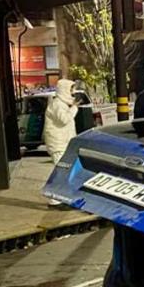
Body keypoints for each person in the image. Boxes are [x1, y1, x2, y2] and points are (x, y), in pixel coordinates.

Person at [43, 79, 79, 207]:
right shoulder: (57, 104)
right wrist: (74, 108)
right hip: (58, 144)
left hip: (63, 143)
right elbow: (64, 120)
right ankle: (54, 200)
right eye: (71, 89)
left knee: (64, 171)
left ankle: (61, 198)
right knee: (60, 172)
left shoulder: (62, 104)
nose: (72, 92)